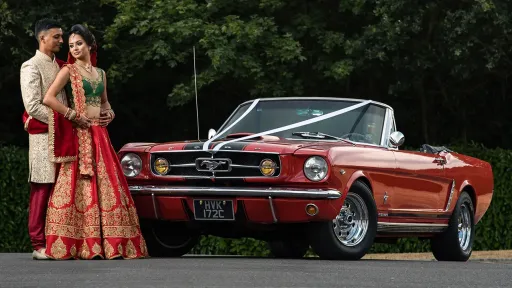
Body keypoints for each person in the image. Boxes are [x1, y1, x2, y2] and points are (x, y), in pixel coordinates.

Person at [41, 24, 148, 260]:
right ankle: (80, 243)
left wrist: (110, 113)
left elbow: (105, 103)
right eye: (70, 45)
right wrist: (72, 115)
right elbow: (48, 98)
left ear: (90, 45)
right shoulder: (69, 70)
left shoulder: (100, 73)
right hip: (80, 136)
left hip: (100, 135)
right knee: (78, 189)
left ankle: (113, 244)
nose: (75, 48)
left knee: (108, 188)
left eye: (79, 43)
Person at [19, 18, 80, 260]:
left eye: (62, 37)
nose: (61, 41)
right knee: (42, 188)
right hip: (44, 137)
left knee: (62, 190)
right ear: (42, 38)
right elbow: (32, 105)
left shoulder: (61, 65)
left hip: (64, 135)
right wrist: (67, 119)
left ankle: (60, 241)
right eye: (57, 37)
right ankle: (38, 245)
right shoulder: (31, 66)